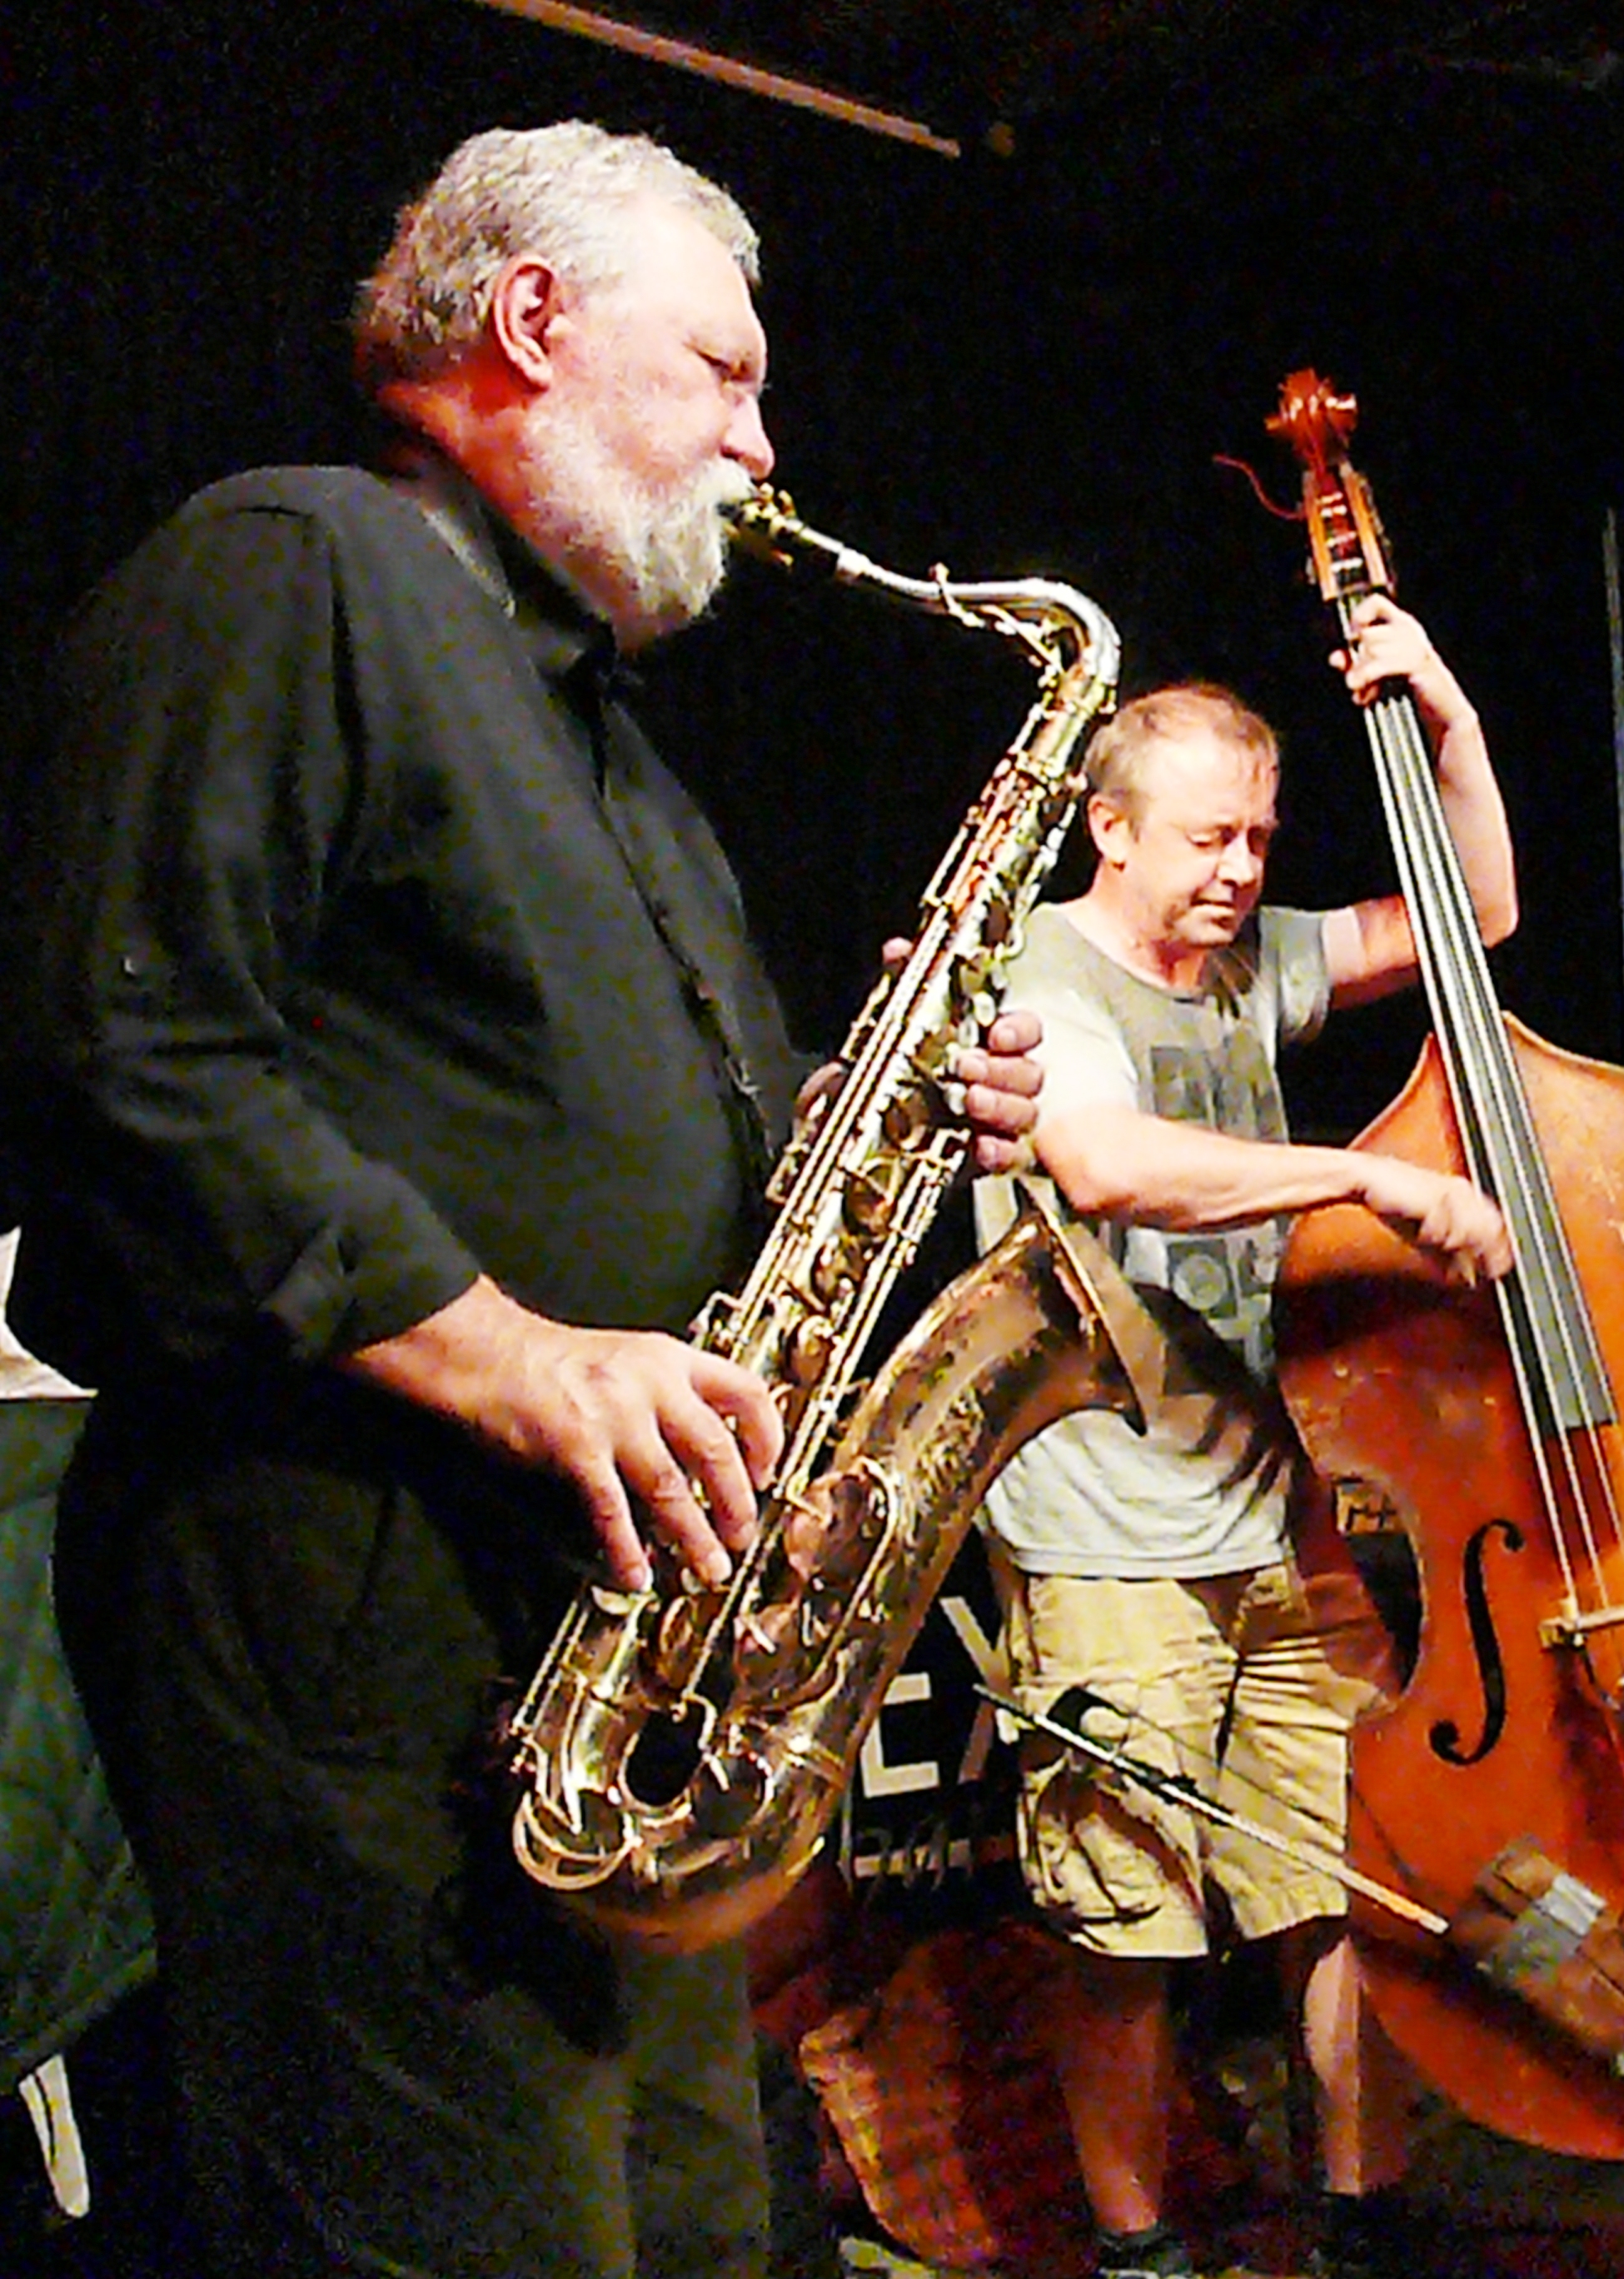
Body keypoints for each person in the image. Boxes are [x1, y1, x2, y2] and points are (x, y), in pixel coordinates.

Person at [0, 123, 1045, 2278]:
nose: (763, 444)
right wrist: (512, 1355)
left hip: (597, 1622)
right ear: (537, 320)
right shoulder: (294, 564)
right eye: (726, 371)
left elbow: (575, 1118)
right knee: (470, 2232)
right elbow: (121, 1046)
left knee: (680, 2222)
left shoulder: (593, 721)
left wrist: (888, 1112)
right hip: (351, 1584)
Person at [969, 635, 1516, 2279]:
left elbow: (1472, 919)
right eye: (1208, 838)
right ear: (1111, 829)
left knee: (1341, 1887)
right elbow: (1109, 1160)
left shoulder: (1256, 957)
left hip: (1273, 1515)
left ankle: (1364, 2220)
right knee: (1127, 1929)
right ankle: (1142, 2258)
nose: (1241, 870)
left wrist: (1453, 714)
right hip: (1106, 1525)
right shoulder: (1044, 975)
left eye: (1261, 839)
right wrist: (1360, 1186)